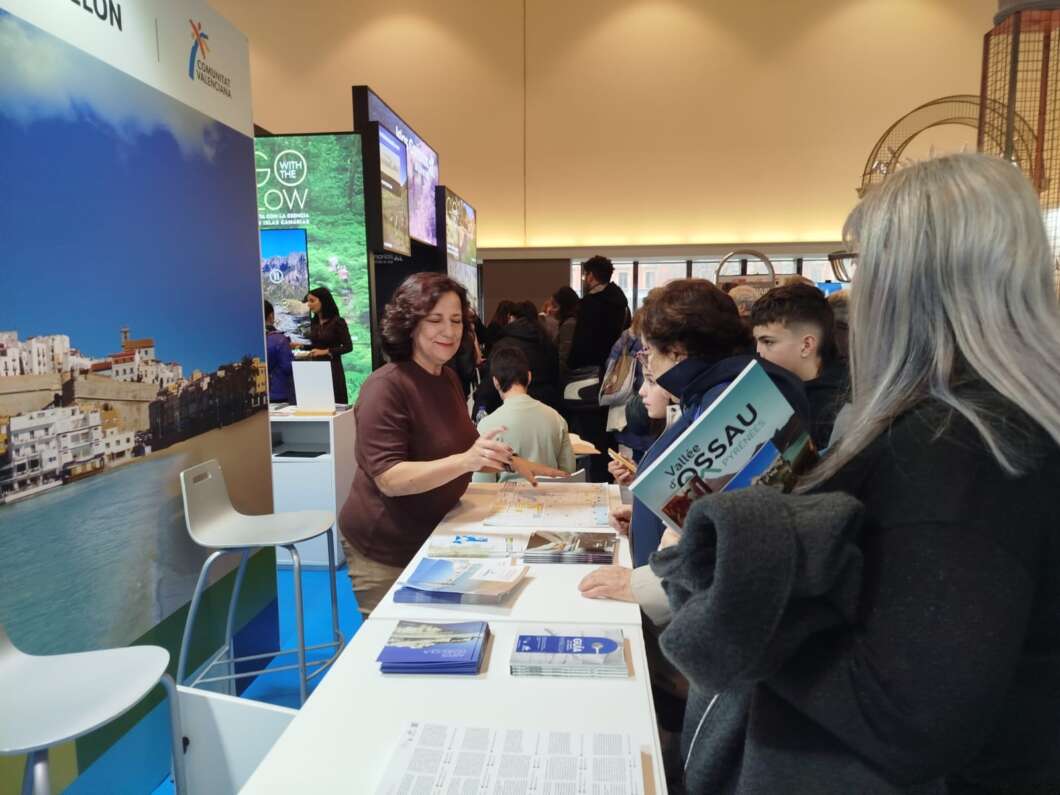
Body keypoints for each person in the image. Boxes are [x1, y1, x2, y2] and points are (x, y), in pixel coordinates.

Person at [659, 153, 1060, 793]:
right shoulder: (995, 429)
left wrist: (752, 612)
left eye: (863, 267)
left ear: (904, 283)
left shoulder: (959, 454)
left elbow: (911, 715)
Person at [338, 273, 566, 616]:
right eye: (436, 320)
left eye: (457, 320)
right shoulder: (385, 388)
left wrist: (516, 463)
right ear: (409, 324)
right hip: (387, 547)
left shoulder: (445, 377)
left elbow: (463, 446)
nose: (449, 330)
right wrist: (465, 462)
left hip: (439, 533)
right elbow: (389, 478)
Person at [751, 282, 847, 450]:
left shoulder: (839, 410)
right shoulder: (773, 391)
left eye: (768, 342)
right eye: (757, 341)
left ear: (806, 345)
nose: (758, 352)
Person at [473, 347, 575, 483]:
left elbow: (483, 483)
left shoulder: (487, 426)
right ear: (529, 377)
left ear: (495, 382)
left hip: (504, 502)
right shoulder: (556, 418)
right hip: (549, 500)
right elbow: (568, 473)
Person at [473, 300, 561, 416]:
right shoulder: (548, 343)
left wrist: (478, 410)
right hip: (546, 411)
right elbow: (556, 379)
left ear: (511, 318)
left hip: (510, 413)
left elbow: (488, 387)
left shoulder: (503, 345)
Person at [567, 256, 630, 371]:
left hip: (588, 368)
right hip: (612, 364)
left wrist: (570, 366)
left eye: (585, 275)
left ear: (591, 276)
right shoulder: (621, 302)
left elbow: (582, 340)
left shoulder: (590, 303)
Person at [297, 287, 352, 404]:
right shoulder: (314, 323)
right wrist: (300, 346)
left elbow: (348, 347)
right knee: (318, 403)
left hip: (333, 369)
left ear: (323, 301)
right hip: (316, 369)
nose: (309, 305)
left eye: (312, 301)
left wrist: (327, 351)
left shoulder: (338, 322)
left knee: (335, 403)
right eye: (308, 302)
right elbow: (316, 346)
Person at [264, 300, 295, 404]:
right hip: (279, 394)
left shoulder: (250, 338)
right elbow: (288, 367)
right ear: (271, 316)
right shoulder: (279, 339)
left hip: (262, 395)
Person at [552, 285, 580, 379]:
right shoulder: (573, 321)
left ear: (564, 306)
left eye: (555, 306)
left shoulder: (569, 324)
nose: (551, 310)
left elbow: (564, 358)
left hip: (568, 377)